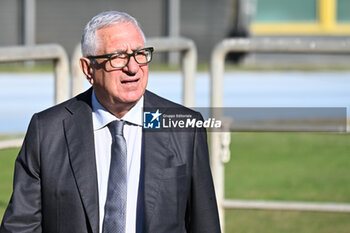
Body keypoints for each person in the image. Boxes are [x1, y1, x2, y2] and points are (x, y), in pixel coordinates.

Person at [0, 11, 221, 233]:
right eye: (118, 57)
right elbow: (20, 226)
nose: (133, 68)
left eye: (140, 54)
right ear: (88, 69)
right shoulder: (47, 131)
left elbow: (205, 224)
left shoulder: (185, 128)